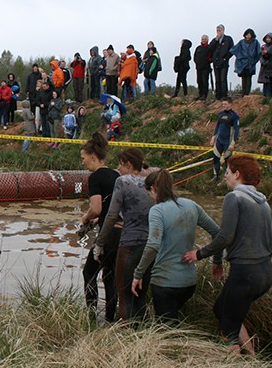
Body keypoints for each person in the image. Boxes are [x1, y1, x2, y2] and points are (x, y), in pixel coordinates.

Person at [182, 155, 272, 355]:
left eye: (228, 173)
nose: (225, 177)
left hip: (245, 272)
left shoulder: (235, 198)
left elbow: (225, 236)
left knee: (229, 322)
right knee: (224, 310)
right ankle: (252, 358)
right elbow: (268, 242)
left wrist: (199, 253)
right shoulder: (263, 202)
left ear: (237, 174)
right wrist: (221, 260)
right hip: (265, 272)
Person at [131, 170, 221, 323]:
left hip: (164, 281)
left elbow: (153, 245)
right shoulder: (191, 205)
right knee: (173, 321)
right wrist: (215, 260)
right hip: (189, 282)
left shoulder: (157, 210)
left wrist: (138, 274)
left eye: (149, 193)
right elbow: (217, 232)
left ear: (153, 189)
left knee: (166, 330)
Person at [95, 147, 154, 321]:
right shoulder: (150, 183)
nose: (118, 169)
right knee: (140, 294)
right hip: (149, 243)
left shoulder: (123, 182)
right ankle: (140, 332)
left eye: (120, 165)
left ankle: (125, 337)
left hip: (129, 242)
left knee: (124, 294)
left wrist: (99, 242)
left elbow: (112, 215)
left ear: (128, 164)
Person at [80, 133, 121, 323]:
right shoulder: (116, 175)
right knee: (110, 275)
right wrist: (100, 218)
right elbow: (114, 205)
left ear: (93, 157)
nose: (83, 162)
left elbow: (97, 208)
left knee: (89, 272)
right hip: (122, 232)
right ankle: (111, 318)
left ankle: (91, 317)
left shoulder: (95, 177)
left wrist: (86, 217)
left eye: (84, 158)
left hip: (108, 235)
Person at [210, 97, 240, 181]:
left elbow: (236, 130)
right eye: (222, 104)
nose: (224, 106)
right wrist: (213, 138)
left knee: (227, 160)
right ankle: (215, 176)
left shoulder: (234, 116)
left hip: (228, 141)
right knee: (215, 158)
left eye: (225, 104)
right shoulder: (220, 114)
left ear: (230, 104)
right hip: (219, 140)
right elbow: (217, 127)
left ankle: (225, 179)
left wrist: (233, 142)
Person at [230, 29, 260, 96]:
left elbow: (259, 53)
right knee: (243, 79)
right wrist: (240, 57)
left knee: (249, 78)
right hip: (242, 64)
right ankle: (243, 94)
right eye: (247, 34)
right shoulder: (241, 42)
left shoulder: (255, 42)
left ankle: (247, 94)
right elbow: (233, 50)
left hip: (250, 63)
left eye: (249, 34)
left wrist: (254, 61)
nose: (248, 36)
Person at [210, 24, 234, 100]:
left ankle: (224, 96)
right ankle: (218, 96)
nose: (218, 32)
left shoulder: (228, 39)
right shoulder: (215, 40)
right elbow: (210, 49)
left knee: (223, 79)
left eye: (220, 30)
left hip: (224, 62)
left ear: (223, 30)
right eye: (217, 30)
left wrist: (225, 58)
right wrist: (216, 40)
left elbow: (232, 50)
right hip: (216, 62)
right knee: (217, 80)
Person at [194, 35, 212, 101]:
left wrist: (207, 62)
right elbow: (195, 57)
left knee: (205, 82)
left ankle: (204, 95)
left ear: (207, 40)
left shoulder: (209, 47)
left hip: (206, 68)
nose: (203, 40)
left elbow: (211, 58)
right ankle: (200, 94)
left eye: (205, 39)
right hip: (198, 67)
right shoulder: (198, 48)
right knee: (199, 81)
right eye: (202, 39)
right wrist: (197, 63)